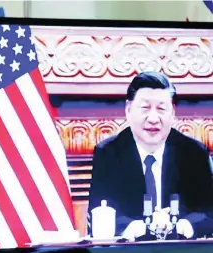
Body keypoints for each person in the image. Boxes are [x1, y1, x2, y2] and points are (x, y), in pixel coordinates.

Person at [87, 71, 213, 240]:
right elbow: (100, 210)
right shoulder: (109, 153)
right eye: (145, 108)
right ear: (128, 109)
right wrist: (139, 227)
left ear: (173, 113)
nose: (153, 118)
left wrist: (183, 226)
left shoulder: (193, 152)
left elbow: (209, 211)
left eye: (161, 109)